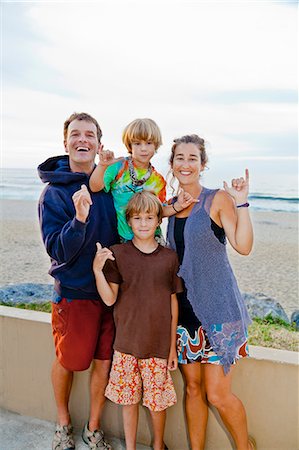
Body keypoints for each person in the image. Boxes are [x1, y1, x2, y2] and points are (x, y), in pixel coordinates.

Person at [166, 134, 256, 450]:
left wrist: (242, 202)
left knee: (216, 394)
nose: (186, 164)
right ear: (172, 163)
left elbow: (243, 246)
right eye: (180, 157)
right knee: (192, 389)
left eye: (193, 158)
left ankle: (245, 447)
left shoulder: (216, 199)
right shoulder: (168, 208)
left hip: (219, 312)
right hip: (185, 317)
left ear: (203, 165)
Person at [38, 112, 119, 450]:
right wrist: (80, 219)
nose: (82, 140)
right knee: (68, 362)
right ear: (66, 142)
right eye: (76, 134)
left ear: (99, 144)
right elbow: (57, 248)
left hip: (113, 294)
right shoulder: (53, 195)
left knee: (104, 363)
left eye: (90, 135)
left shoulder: (111, 186)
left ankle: (93, 428)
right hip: (74, 294)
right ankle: (63, 424)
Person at [93, 191, 182, 450]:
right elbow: (109, 299)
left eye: (149, 217)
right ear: (129, 221)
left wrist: (172, 346)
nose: (143, 223)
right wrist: (98, 271)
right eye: (138, 218)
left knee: (157, 403)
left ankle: (157, 445)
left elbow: (172, 302)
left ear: (158, 222)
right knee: (128, 401)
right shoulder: (118, 254)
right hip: (126, 346)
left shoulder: (169, 258)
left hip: (157, 346)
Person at [89, 118, 196, 243]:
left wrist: (177, 206)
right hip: (123, 239)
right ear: (130, 145)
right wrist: (102, 166)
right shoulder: (118, 168)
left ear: (156, 145)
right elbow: (94, 187)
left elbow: (160, 211)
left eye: (149, 143)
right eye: (137, 143)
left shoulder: (158, 180)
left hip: (152, 239)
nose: (143, 148)